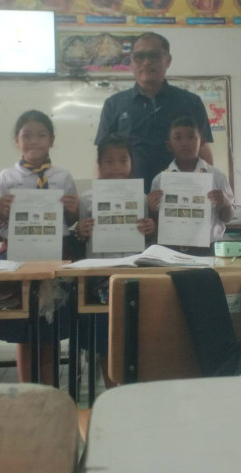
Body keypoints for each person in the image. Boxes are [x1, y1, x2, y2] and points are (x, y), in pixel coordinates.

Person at [0, 109, 79, 383]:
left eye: (41, 135)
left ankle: (50, 390)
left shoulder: (63, 176)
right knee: (25, 329)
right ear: (16, 140)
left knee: (50, 328)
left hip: (56, 255)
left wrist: (73, 210)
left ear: (51, 140)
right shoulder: (6, 178)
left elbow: (72, 220)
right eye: (27, 135)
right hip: (19, 256)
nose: (34, 141)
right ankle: (26, 389)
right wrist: (1, 208)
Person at [75, 133, 155, 386]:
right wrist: (81, 230)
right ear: (99, 165)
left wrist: (149, 228)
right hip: (99, 277)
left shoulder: (141, 198)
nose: (117, 167)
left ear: (131, 163)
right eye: (109, 161)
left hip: (132, 274)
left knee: (134, 334)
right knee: (104, 338)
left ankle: (132, 390)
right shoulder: (86, 199)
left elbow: (148, 240)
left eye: (123, 160)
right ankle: (111, 389)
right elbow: (78, 237)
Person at [95, 32, 214, 193]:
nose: (146, 62)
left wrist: (208, 191)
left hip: (179, 195)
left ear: (168, 60)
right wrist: (100, 195)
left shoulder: (191, 102)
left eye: (154, 55)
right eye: (139, 56)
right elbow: (102, 157)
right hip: (128, 196)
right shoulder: (114, 104)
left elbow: (203, 150)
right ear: (131, 62)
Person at [148, 116, 235, 255]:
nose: (185, 143)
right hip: (170, 250)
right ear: (169, 145)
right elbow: (156, 223)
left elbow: (227, 218)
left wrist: (225, 203)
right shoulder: (160, 180)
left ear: (202, 142)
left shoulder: (217, 176)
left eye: (191, 137)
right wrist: (151, 209)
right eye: (178, 138)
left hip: (208, 250)